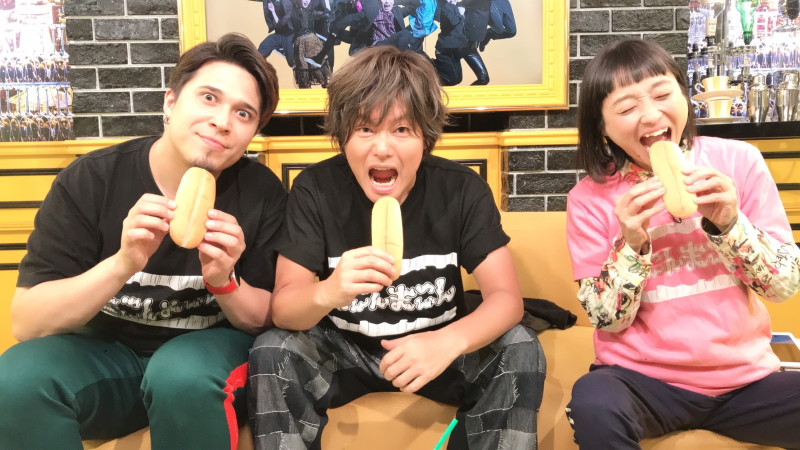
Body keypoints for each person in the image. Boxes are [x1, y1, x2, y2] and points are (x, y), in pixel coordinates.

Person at [247, 45, 545, 450]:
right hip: (344, 350)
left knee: (520, 346)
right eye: (365, 129)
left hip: (438, 349)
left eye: (402, 130)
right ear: (343, 136)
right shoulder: (315, 190)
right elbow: (284, 308)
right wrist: (328, 291)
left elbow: (506, 299)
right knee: (271, 351)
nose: (383, 148)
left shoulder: (461, 190)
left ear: (426, 137)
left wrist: (446, 342)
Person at [0, 33, 287, 449]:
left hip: (205, 363)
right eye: (209, 98)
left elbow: (267, 320)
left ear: (252, 133)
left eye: (243, 113)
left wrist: (224, 280)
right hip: (106, 357)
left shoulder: (262, 194)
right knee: (16, 380)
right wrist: (123, 263)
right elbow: (27, 322)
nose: (222, 121)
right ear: (170, 103)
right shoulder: (92, 180)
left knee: (180, 374)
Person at [565, 38, 800, 450]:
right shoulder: (588, 199)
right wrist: (632, 244)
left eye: (662, 95)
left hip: (747, 380)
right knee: (593, 403)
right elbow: (607, 320)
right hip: (641, 381)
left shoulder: (739, 162)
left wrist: (729, 224)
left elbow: (783, 287)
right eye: (627, 108)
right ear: (602, 128)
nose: (651, 115)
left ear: (683, 95)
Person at [291, 0, 333, 88]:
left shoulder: (312, 12)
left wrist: (327, 12)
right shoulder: (293, 12)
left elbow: (327, 14)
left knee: (316, 60)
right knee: (302, 64)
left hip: (312, 40)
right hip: (299, 41)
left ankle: (324, 81)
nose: (306, 0)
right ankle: (305, 84)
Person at [256, 0, 296, 68]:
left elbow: (280, 23)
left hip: (289, 35)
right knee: (264, 46)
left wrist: (273, 11)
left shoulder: (288, 3)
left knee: (291, 62)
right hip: (278, 35)